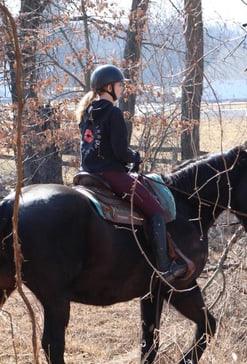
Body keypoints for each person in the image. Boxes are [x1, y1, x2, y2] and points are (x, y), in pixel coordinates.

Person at [75, 64, 187, 285]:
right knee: (155, 209)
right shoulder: (113, 113)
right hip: (109, 174)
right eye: (119, 85)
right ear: (108, 87)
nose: (121, 89)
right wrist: (135, 156)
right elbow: (119, 151)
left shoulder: (87, 111)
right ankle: (164, 266)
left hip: (87, 173)